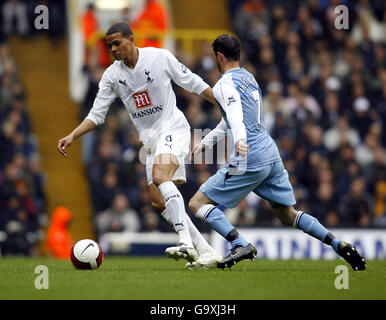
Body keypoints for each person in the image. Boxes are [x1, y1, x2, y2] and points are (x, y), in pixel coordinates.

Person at [189, 34, 366, 271]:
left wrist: (240, 142)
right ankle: (337, 243)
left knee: (197, 202)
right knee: (287, 214)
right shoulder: (249, 78)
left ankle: (239, 243)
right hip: (271, 155)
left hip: (249, 157)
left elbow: (234, 117)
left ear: (219, 57)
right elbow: (232, 120)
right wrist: (206, 142)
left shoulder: (223, 84)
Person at [57, 22, 221, 269]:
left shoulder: (159, 57)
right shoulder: (112, 75)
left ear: (131, 40)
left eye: (117, 43)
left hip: (173, 128)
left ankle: (185, 242)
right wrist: (73, 135)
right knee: (158, 201)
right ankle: (206, 251)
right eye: (109, 45)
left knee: (160, 176)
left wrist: (220, 102)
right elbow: (97, 114)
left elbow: (193, 83)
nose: (113, 49)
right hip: (151, 142)